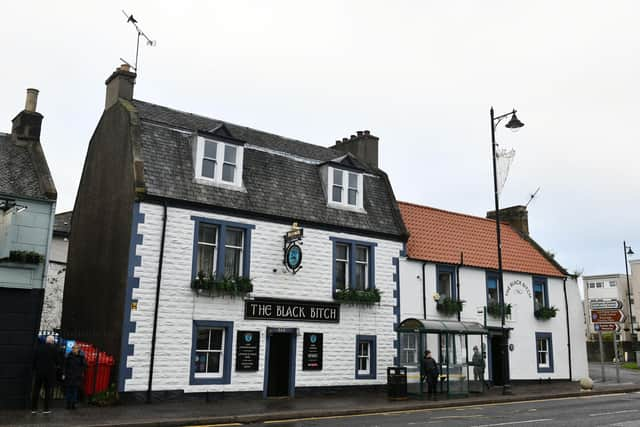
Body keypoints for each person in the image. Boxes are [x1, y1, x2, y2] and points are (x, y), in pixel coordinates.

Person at [31, 335, 59, 414]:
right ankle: (46, 409)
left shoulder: (39, 348)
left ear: (46, 341)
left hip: (39, 372)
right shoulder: (54, 349)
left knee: (36, 390)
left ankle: (33, 408)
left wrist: (34, 369)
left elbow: (34, 360)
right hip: (49, 373)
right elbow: (57, 361)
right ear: (52, 341)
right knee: (47, 390)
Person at [64, 344, 87, 410]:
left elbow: (84, 366)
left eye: (75, 348)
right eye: (73, 348)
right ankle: (68, 404)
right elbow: (65, 365)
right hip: (69, 375)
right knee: (68, 391)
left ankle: (73, 404)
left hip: (77, 376)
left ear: (78, 349)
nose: (74, 349)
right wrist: (65, 373)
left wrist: (80, 372)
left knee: (75, 391)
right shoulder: (69, 356)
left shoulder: (81, 357)